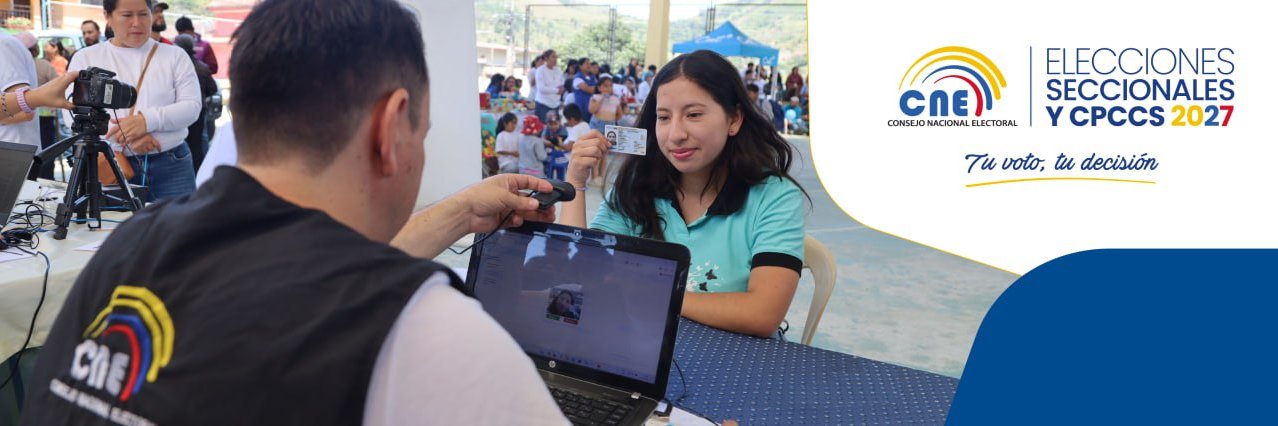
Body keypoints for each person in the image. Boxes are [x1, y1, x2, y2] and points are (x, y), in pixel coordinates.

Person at [20, 0, 566, 424]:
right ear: (391, 125)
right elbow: (341, 299)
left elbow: (316, 287)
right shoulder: (432, 333)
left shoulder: (130, 248)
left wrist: (457, 211)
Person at [561, 50, 808, 338]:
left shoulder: (774, 196)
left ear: (734, 119)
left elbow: (762, 314)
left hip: (736, 365)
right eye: (663, 117)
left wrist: (651, 292)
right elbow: (581, 273)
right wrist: (575, 184)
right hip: (641, 353)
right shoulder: (635, 187)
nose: (675, 134)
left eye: (693, 115)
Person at [64, 0, 202, 201]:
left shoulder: (174, 55)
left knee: (179, 229)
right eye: (127, 15)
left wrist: (146, 121)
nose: (137, 23)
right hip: (109, 164)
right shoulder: (86, 58)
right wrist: (122, 139)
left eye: (144, 14)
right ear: (108, 17)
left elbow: (192, 106)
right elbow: (73, 113)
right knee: (112, 230)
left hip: (171, 165)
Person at [1, 33, 76, 150]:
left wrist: (35, 98)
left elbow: (23, 112)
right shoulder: (44, 63)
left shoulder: (4, 46)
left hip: (11, 155)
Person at [17, 32, 62, 179]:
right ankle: (46, 179)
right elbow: (58, 85)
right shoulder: (43, 65)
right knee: (47, 150)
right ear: (35, 49)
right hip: (45, 114)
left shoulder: (16, 65)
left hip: (18, 115)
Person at [174, 33, 217, 172]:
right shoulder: (202, 67)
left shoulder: (175, 67)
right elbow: (213, 88)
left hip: (177, 111)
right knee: (197, 144)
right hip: (199, 111)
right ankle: (199, 173)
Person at [533, 49, 563, 124]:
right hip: (543, 104)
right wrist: (557, 90)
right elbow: (541, 88)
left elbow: (561, 84)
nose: (555, 59)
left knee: (555, 129)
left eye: (556, 57)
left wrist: (562, 89)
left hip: (555, 104)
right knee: (544, 129)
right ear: (546, 58)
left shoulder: (558, 70)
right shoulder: (540, 70)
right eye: (553, 57)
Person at [541, 111, 569, 180]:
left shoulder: (563, 130)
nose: (553, 126)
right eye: (551, 124)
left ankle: (561, 182)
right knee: (549, 171)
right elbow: (542, 139)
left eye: (555, 123)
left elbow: (562, 144)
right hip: (550, 154)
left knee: (560, 171)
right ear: (547, 123)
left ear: (559, 122)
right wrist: (550, 143)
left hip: (560, 155)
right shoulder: (547, 128)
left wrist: (555, 143)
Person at [572, 57, 597, 123]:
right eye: (586, 64)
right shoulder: (577, 78)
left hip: (592, 108)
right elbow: (588, 89)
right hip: (582, 109)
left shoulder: (592, 76)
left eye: (589, 64)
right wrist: (597, 88)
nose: (589, 65)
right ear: (580, 66)